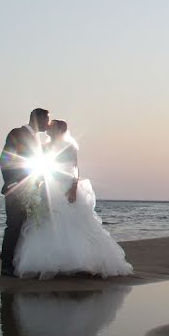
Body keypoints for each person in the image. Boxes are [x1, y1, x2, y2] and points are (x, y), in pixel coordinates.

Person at [13, 119, 134, 280]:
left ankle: (79, 261)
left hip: (65, 186)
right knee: (47, 221)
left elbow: (75, 168)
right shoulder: (44, 147)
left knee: (70, 222)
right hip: (49, 186)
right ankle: (51, 260)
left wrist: (74, 188)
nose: (47, 128)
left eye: (51, 126)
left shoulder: (69, 146)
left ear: (58, 130)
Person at [0, 108, 50, 277]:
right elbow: (5, 158)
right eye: (46, 120)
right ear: (37, 120)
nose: (47, 124)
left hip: (31, 189)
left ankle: (18, 262)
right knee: (14, 226)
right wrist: (12, 181)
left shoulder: (36, 140)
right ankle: (6, 265)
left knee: (26, 226)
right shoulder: (17, 133)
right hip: (16, 189)